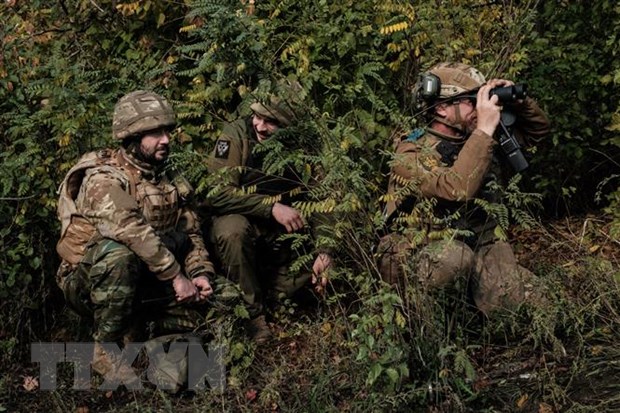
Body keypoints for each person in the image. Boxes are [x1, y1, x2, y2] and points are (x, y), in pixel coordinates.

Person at [55, 90, 215, 383]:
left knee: (223, 300)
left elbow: (190, 232)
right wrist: (177, 276)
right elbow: (131, 228)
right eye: (155, 133)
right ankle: (105, 347)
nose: (166, 139)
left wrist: (199, 273)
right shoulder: (102, 178)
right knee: (119, 254)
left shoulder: (168, 178)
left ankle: (141, 330)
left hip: (149, 278)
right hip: (89, 283)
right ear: (132, 136)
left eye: (167, 131)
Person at [379, 62, 550, 315]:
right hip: (425, 248)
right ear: (442, 109)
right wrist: (484, 130)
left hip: (479, 243)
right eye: (472, 101)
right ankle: (420, 318)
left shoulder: (481, 138)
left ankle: (478, 312)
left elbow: (538, 132)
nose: (480, 108)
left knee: (538, 305)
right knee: (454, 259)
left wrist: (521, 103)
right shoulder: (410, 151)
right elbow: (456, 188)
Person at [204, 84, 332, 342]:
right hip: (243, 223)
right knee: (232, 231)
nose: (260, 126)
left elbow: (324, 199)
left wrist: (325, 250)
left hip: (284, 234)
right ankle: (252, 316)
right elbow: (217, 193)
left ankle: (274, 295)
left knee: (318, 274)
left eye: (271, 122)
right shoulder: (235, 135)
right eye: (257, 116)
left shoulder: (305, 143)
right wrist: (270, 207)